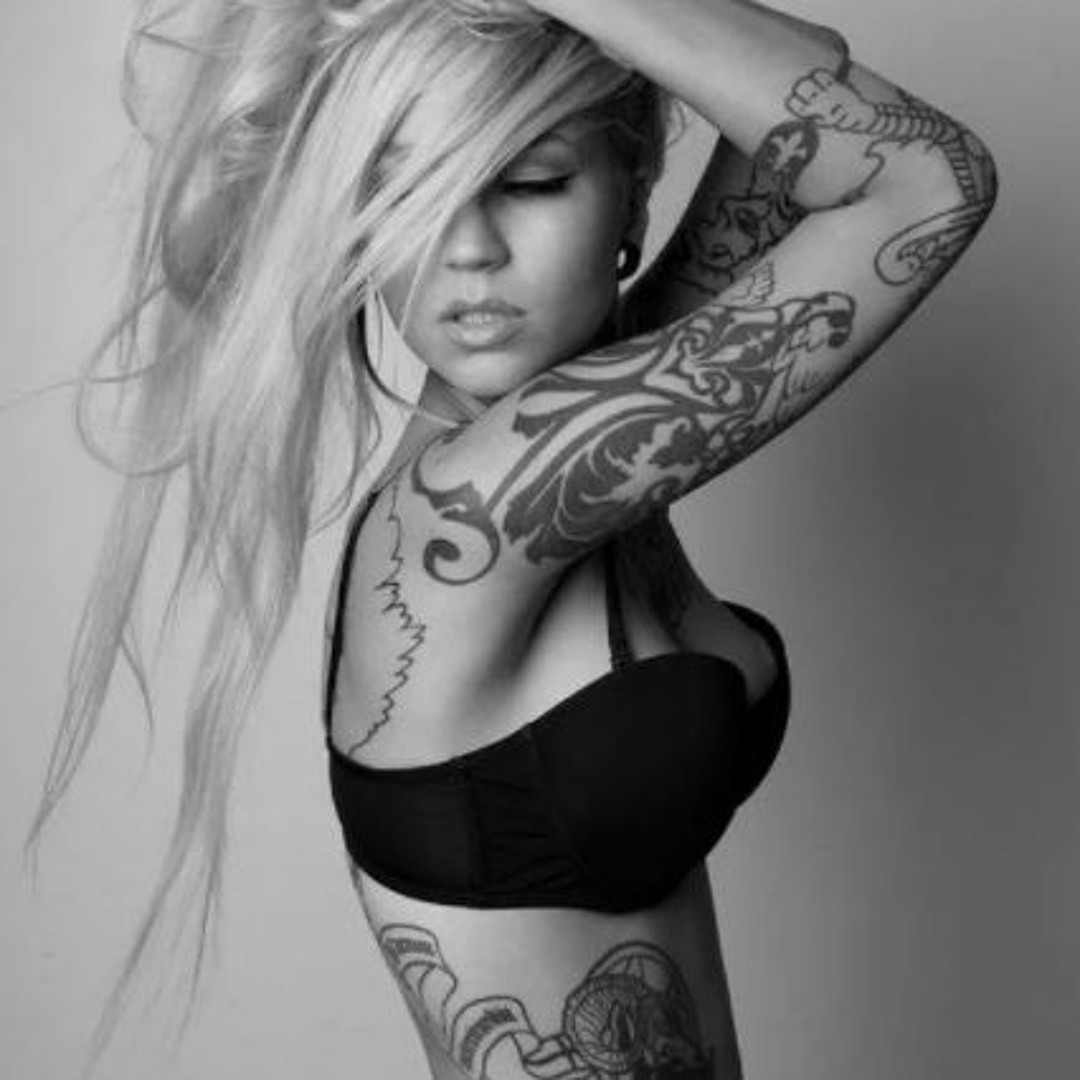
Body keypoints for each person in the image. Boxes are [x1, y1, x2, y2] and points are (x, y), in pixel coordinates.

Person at [28, 0, 998, 1076]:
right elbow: (927, 180)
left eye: (531, 182)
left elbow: (811, 66)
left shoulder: (613, 409)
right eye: (405, 192)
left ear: (631, 190)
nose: (471, 250)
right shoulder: (479, 498)